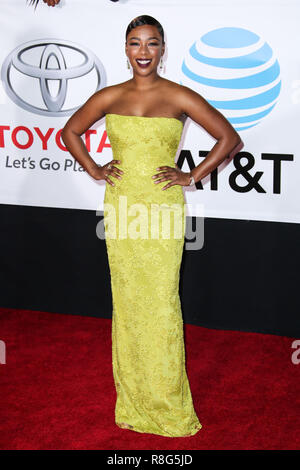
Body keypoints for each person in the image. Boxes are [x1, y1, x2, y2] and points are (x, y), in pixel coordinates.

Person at [61, 15, 241, 437]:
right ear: (125, 50)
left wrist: (191, 175)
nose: (143, 51)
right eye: (135, 43)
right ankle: (134, 401)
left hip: (160, 210)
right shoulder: (109, 95)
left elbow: (229, 139)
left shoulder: (178, 95)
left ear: (163, 49)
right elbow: (70, 132)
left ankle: (167, 402)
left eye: (152, 43)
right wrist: (93, 168)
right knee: (126, 302)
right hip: (122, 208)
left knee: (161, 303)